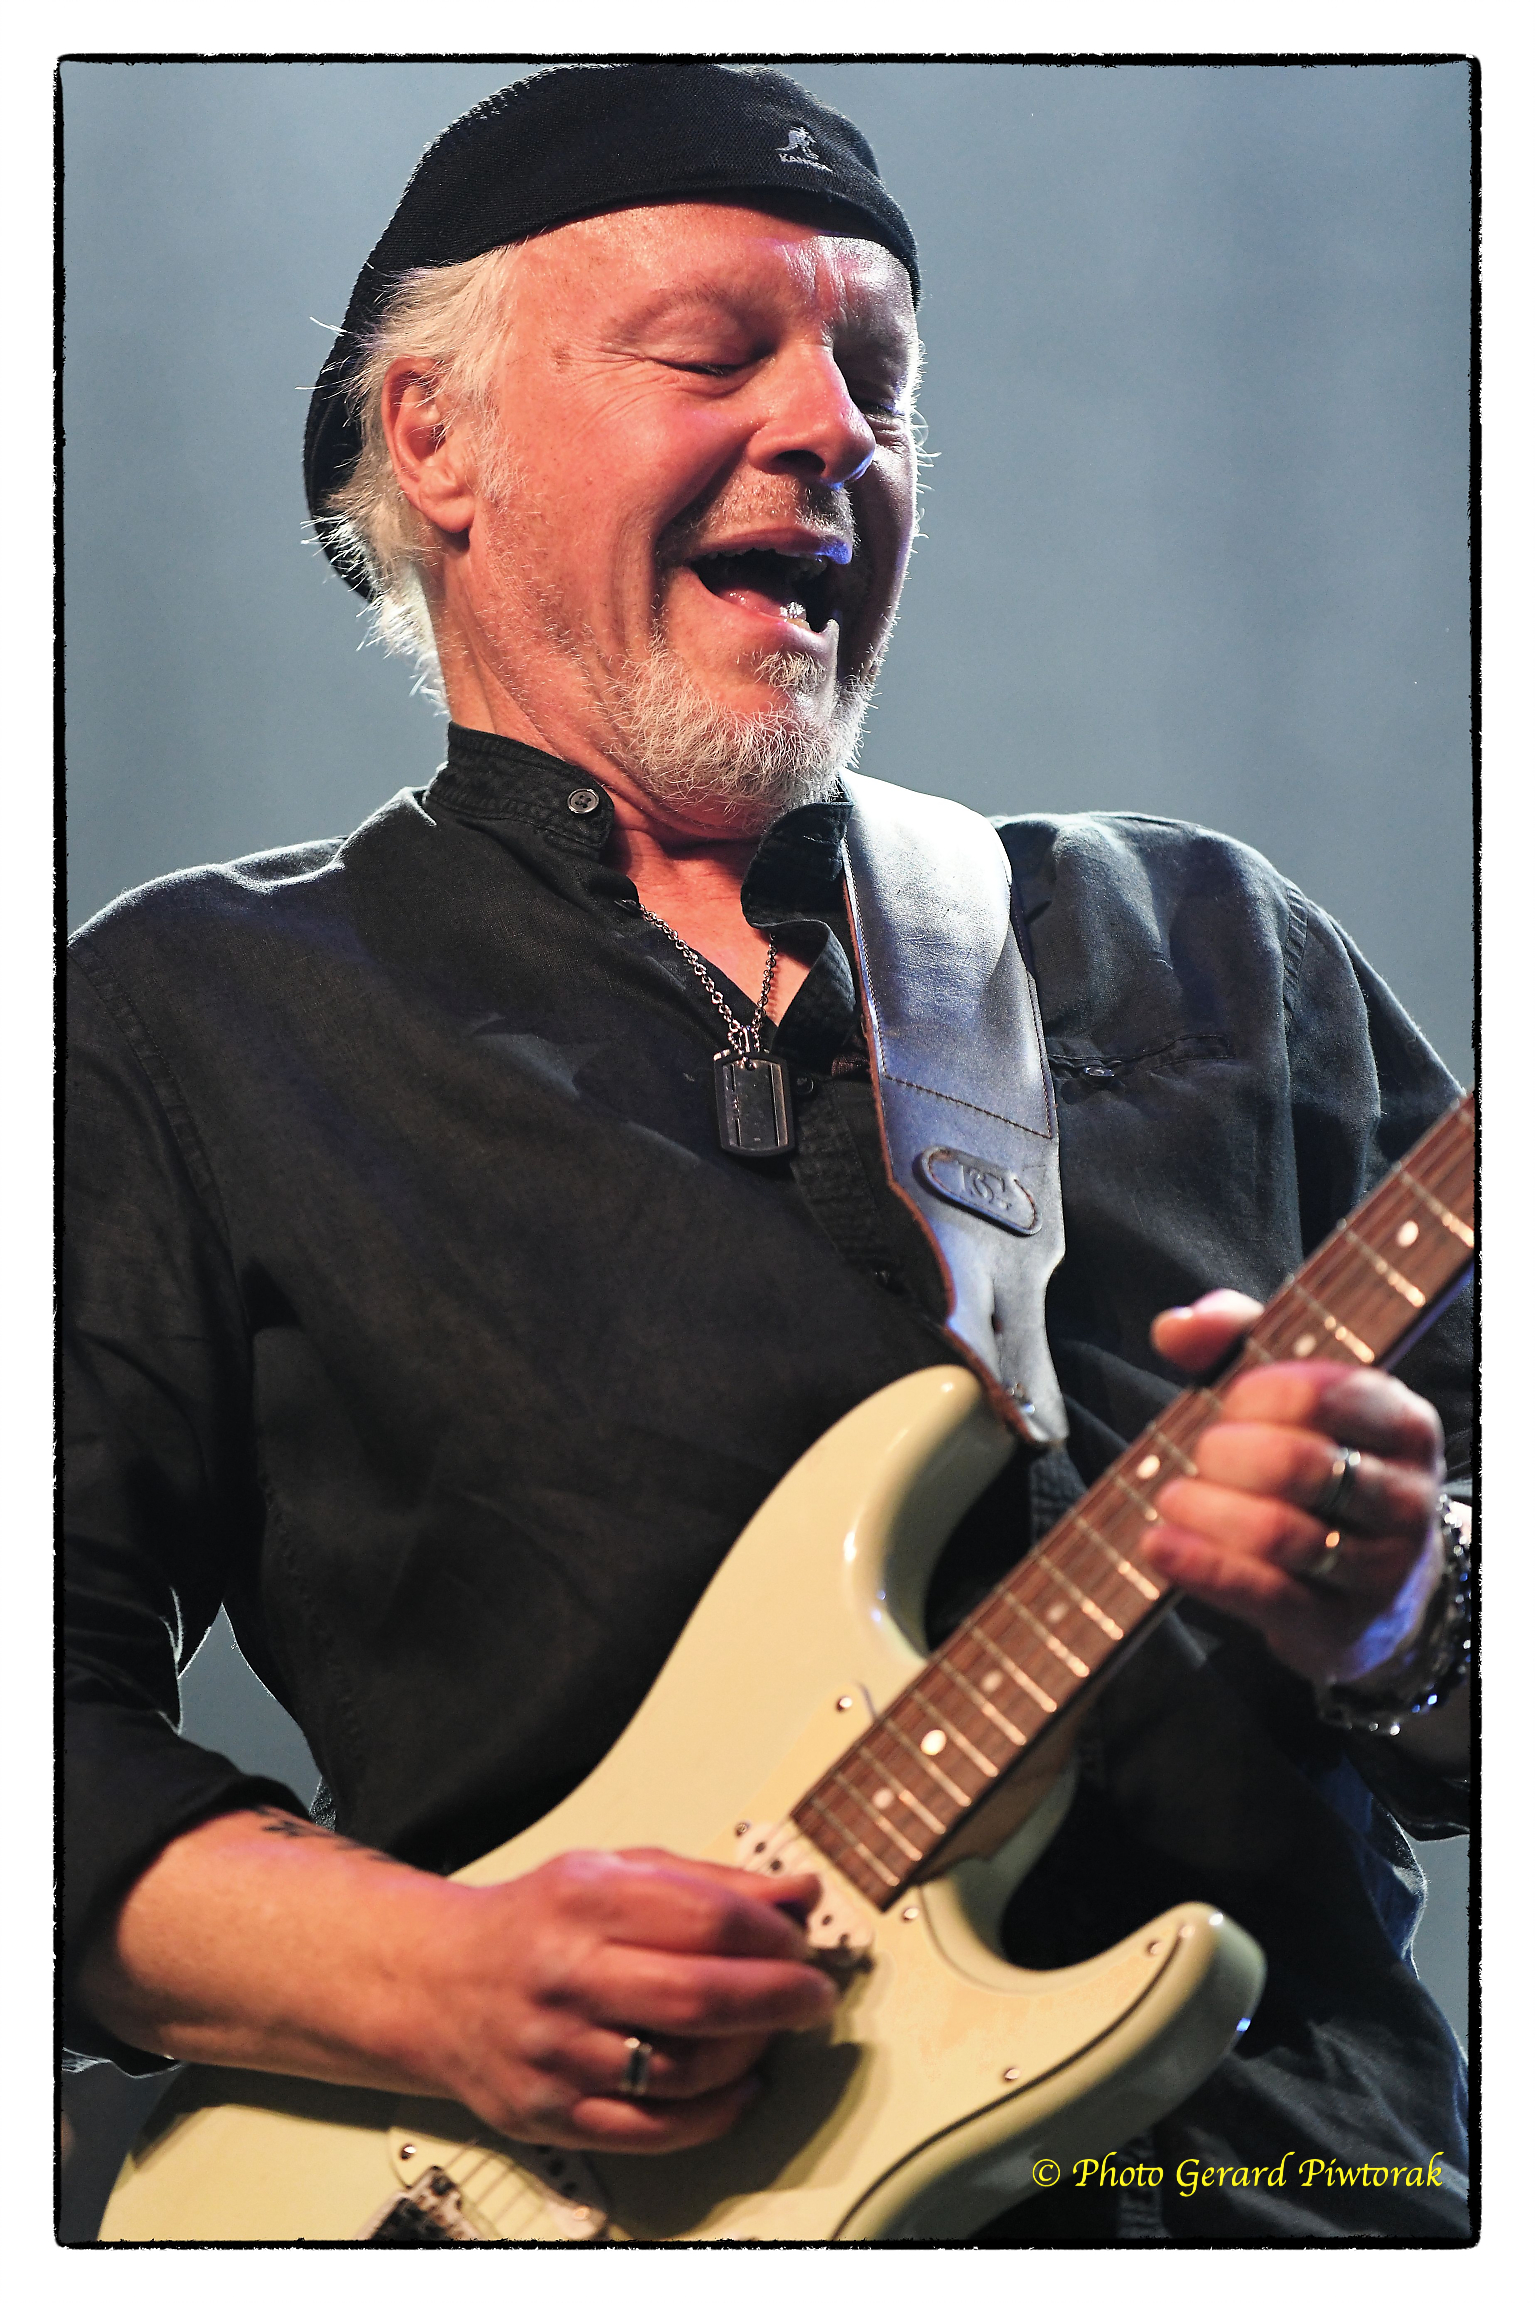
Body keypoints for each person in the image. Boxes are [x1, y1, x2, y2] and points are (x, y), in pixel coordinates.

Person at [63, 64, 1471, 2242]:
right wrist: (440, 1981)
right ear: (433, 439)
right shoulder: (197, 1021)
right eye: (714, 355)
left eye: (877, 380)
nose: (835, 431)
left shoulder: (1207, 943)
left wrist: (1403, 1610)